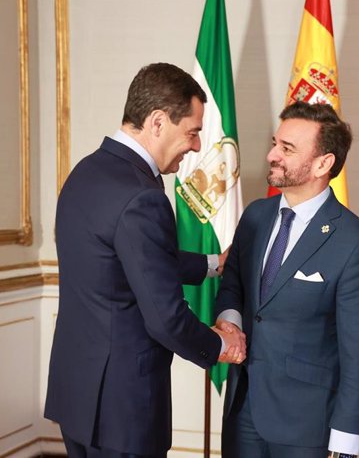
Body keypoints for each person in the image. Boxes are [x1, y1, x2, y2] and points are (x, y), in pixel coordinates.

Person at [44, 62, 246, 458]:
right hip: (124, 408)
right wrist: (220, 344)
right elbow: (165, 318)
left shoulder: (86, 171)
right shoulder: (143, 195)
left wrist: (210, 263)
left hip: (78, 394)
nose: (196, 146)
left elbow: (128, 262)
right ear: (157, 122)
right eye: (192, 132)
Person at [215, 101, 359, 458]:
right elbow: (233, 283)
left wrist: (345, 443)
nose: (271, 155)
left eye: (286, 149)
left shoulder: (357, 243)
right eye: (275, 143)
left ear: (323, 164)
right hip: (241, 410)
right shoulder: (255, 217)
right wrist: (229, 322)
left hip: (308, 428)